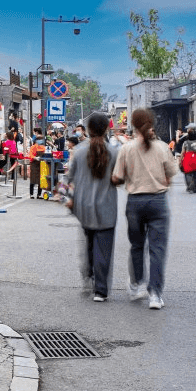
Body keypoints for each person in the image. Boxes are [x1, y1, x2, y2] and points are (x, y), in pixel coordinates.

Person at [111, 107, 177, 310]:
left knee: (137, 245)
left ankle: (137, 284)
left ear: (133, 125)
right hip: (158, 201)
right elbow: (170, 175)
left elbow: (117, 177)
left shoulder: (127, 149)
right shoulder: (162, 147)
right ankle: (155, 294)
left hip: (135, 202)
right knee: (157, 249)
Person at [66, 112, 118, 302]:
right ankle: (100, 290)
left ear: (87, 129)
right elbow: (119, 178)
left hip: (83, 206)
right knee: (103, 248)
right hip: (107, 206)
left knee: (88, 242)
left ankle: (88, 275)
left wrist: (65, 198)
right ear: (106, 129)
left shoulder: (79, 151)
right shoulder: (114, 152)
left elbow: (68, 178)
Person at [177, 125, 196, 193]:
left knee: (187, 173)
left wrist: (180, 161)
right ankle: (195, 186)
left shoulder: (185, 143)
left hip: (188, 160)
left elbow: (182, 153)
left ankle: (190, 186)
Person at [28, 127, 47, 199]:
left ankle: (39, 194)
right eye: (39, 140)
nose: (40, 141)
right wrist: (35, 158)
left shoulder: (43, 147)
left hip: (41, 164)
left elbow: (46, 154)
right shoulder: (33, 147)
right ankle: (31, 194)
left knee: (40, 180)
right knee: (33, 179)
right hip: (34, 164)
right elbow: (31, 155)